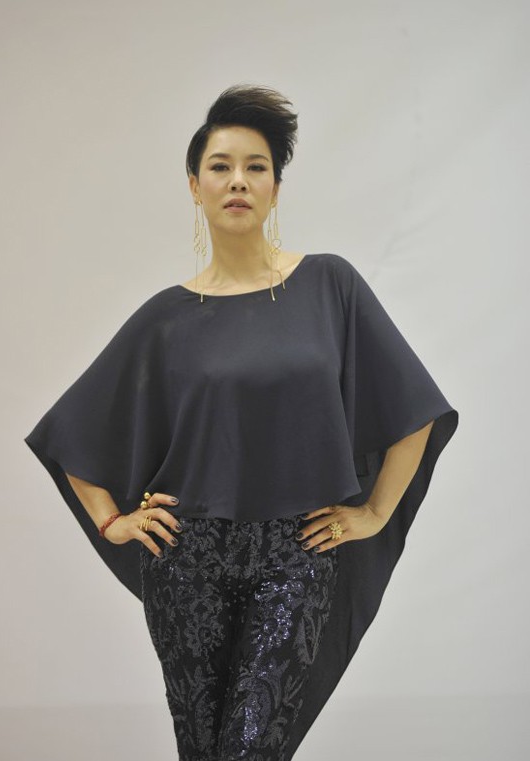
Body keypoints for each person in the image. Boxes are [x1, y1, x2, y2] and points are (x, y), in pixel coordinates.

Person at [24, 84, 459, 761]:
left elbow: (413, 408)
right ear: (194, 186)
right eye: (220, 166)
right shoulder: (167, 318)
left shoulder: (329, 285)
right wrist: (113, 522)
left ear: (275, 189)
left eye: (256, 167)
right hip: (186, 560)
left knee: (248, 750)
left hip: (296, 556)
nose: (238, 181)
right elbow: (72, 432)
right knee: (203, 751)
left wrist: (374, 512)